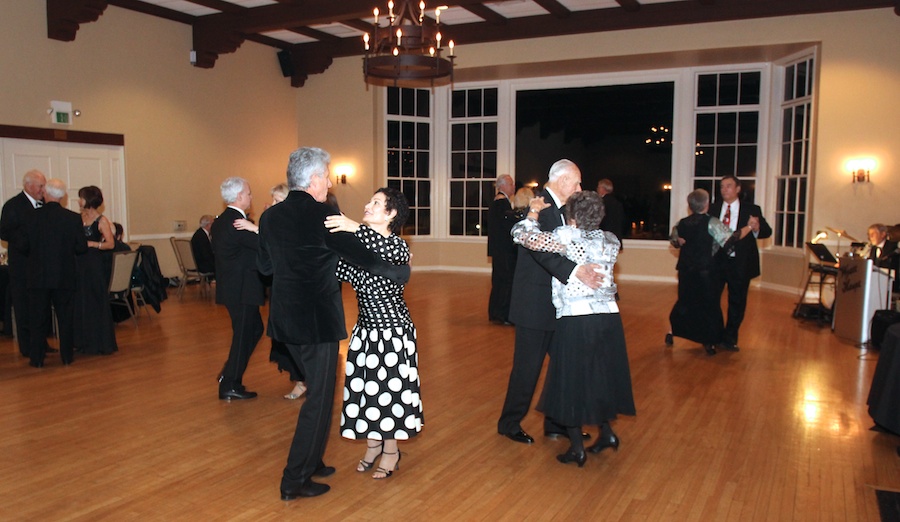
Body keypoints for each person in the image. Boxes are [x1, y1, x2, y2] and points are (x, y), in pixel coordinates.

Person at [257, 147, 410, 500]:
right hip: (316, 325)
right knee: (320, 399)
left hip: (283, 323)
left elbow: (265, 268)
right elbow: (364, 256)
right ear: (313, 180)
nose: (329, 181)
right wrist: (399, 270)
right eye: (325, 175)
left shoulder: (270, 217)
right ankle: (294, 480)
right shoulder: (325, 213)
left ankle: (314, 461)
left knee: (316, 389)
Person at [512, 190, 635, 466]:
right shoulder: (611, 240)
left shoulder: (566, 238)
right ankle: (607, 433)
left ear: (573, 218)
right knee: (598, 376)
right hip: (608, 318)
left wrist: (532, 211)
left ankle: (577, 448)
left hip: (576, 318)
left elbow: (521, 234)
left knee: (569, 381)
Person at [498, 159, 603, 445]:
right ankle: (509, 423)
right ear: (562, 180)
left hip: (561, 305)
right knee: (527, 369)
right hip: (535, 303)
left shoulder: (564, 209)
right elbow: (541, 252)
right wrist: (575, 271)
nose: (580, 187)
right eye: (577, 182)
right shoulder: (540, 206)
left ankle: (557, 424)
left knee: (564, 366)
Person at [325, 187, 423, 480]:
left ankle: (391, 451)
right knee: (364, 390)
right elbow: (336, 268)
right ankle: (373, 445)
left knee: (389, 394)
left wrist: (353, 226)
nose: (368, 205)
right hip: (366, 331)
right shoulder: (361, 244)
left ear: (391, 214)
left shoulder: (397, 246)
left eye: (376, 203)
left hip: (392, 333)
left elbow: (388, 253)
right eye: (370, 201)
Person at [666, 189, 750, 355]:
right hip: (706, 271)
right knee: (709, 305)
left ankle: (673, 331)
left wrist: (680, 241)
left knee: (686, 301)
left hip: (685, 270)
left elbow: (674, 240)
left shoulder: (681, 223)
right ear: (706, 204)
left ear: (690, 205)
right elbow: (731, 239)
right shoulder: (712, 222)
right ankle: (709, 341)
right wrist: (748, 227)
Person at [22, 179, 88, 367]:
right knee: (66, 318)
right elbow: (81, 248)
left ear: (46, 194)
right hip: (64, 276)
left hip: (38, 276)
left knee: (38, 320)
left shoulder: (31, 217)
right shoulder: (73, 218)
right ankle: (67, 357)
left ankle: (37, 359)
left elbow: (24, 246)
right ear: (62, 196)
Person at [211, 177, 265, 401]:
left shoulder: (222, 220)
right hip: (242, 289)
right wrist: (258, 228)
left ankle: (229, 372)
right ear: (240, 196)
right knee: (243, 336)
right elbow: (265, 244)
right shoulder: (237, 223)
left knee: (253, 330)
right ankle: (229, 384)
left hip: (236, 288)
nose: (251, 197)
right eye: (249, 193)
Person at [708, 175, 772, 352]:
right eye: (721, 187)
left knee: (737, 303)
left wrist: (757, 227)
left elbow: (767, 231)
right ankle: (714, 335)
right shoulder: (713, 209)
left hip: (740, 263)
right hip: (716, 262)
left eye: (728, 186)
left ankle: (730, 338)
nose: (724, 190)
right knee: (712, 299)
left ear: (738, 189)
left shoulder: (751, 209)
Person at [264, 182, 307, 400]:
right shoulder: (274, 223)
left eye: (277, 200)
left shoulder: (293, 227)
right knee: (286, 340)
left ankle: (305, 381)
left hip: (296, 294)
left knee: (295, 339)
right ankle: (302, 380)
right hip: (280, 291)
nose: (273, 205)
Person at [0, 169, 46, 358]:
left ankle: (41, 342)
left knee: (39, 306)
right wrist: (25, 241)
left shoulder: (43, 205)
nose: (43, 190)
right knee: (23, 306)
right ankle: (27, 346)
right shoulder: (13, 205)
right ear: (28, 185)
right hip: (21, 266)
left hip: (39, 266)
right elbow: (4, 232)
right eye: (40, 186)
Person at [74, 185, 118, 355]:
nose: (79, 201)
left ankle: (99, 342)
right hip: (79, 264)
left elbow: (111, 244)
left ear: (89, 200)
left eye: (81, 197)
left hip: (93, 264)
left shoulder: (102, 221)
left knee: (94, 300)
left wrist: (94, 244)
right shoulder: (79, 218)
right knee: (81, 300)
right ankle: (83, 341)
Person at [487, 174, 518, 325]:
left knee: (499, 280)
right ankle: (502, 314)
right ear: (503, 186)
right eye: (511, 184)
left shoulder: (499, 202)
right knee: (505, 281)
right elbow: (507, 227)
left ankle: (495, 312)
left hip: (499, 249)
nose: (513, 187)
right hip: (504, 250)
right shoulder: (501, 204)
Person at [597, 179, 625, 244]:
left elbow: (599, 222)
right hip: (615, 238)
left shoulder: (601, 203)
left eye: (598, 187)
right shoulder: (617, 203)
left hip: (604, 239)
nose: (597, 189)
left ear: (602, 189)